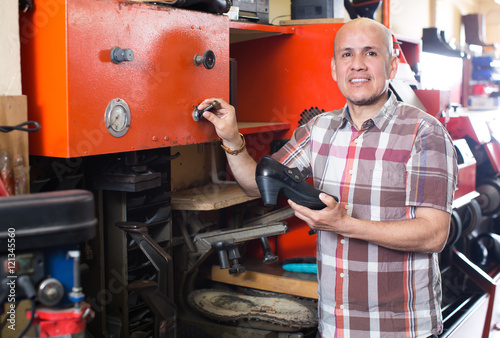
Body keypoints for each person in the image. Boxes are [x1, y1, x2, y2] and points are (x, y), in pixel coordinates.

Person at [198, 17, 458, 337]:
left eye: (371, 53)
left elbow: (434, 234)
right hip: (336, 327)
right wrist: (232, 139)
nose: (357, 65)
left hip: (398, 329)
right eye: (347, 54)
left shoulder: (425, 133)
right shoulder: (318, 129)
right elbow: (256, 183)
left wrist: (346, 225)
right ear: (334, 68)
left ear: (392, 66)